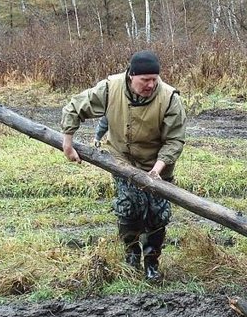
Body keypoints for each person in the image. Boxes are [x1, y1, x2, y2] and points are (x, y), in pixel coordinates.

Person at [61, 50, 186, 282]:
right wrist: (67, 144)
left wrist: (156, 171)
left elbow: (175, 140)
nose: (150, 85)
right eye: (144, 80)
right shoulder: (110, 88)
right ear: (131, 77)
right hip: (122, 161)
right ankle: (131, 254)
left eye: (154, 79)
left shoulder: (169, 98)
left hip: (157, 164)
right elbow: (74, 107)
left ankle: (152, 263)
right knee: (129, 209)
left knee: (157, 215)